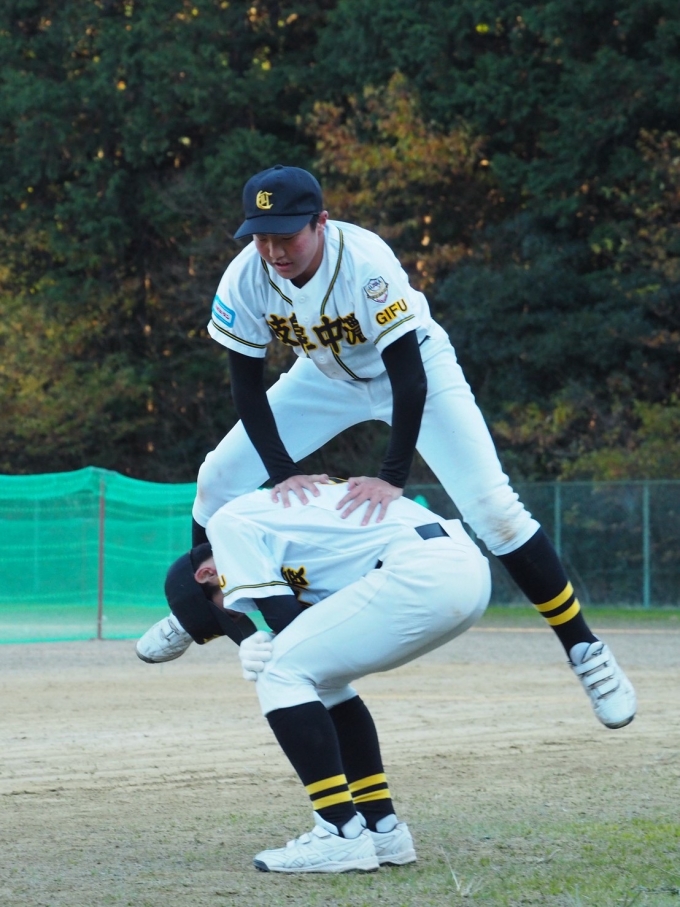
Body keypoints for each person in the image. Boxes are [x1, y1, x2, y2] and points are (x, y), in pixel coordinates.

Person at [141, 164, 636, 730]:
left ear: (321, 222)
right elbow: (245, 387)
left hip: (414, 367)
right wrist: (281, 471)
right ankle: (204, 607)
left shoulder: (365, 263)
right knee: (217, 478)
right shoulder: (245, 276)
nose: (274, 250)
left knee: (494, 510)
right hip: (322, 378)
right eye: (261, 236)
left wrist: (392, 475)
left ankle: (584, 650)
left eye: (288, 235)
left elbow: (408, 378)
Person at [157, 479, 493, 872]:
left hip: (420, 571)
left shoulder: (226, 524)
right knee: (322, 680)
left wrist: (267, 642)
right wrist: (269, 638)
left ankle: (339, 833)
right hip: (461, 570)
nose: (241, 613)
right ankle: (381, 827)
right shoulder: (283, 536)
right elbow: (309, 625)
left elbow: (284, 620)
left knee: (278, 670)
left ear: (206, 574)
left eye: (228, 609)